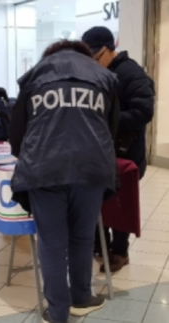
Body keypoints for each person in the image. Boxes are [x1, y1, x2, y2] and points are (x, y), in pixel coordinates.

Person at [10, 40, 119, 323]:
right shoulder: (103, 76)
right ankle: (81, 297)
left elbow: (17, 131)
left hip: (44, 170)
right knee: (83, 238)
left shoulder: (36, 75)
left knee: (52, 243)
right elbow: (112, 127)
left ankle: (58, 312)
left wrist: (28, 158)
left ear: (50, 55)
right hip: (91, 169)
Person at [82, 26, 155, 272]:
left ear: (109, 49)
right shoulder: (95, 72)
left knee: (121, 202)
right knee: (98, 200)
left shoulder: (131, 73)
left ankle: (120, 251)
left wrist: (108, 118)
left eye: (94, 56)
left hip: (126, 153)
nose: (92, 61)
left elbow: (144, 111)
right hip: (98, 150)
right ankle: (100, 245)